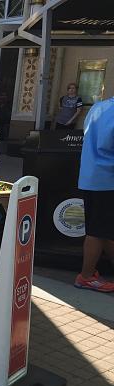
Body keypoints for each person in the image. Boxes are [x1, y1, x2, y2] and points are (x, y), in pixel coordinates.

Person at [74, 95, 114, 292]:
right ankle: (86, 276)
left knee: (103, 229)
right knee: (98, 232)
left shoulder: (98, 107)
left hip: (90, 176)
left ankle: (88, 275)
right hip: (108, 180)